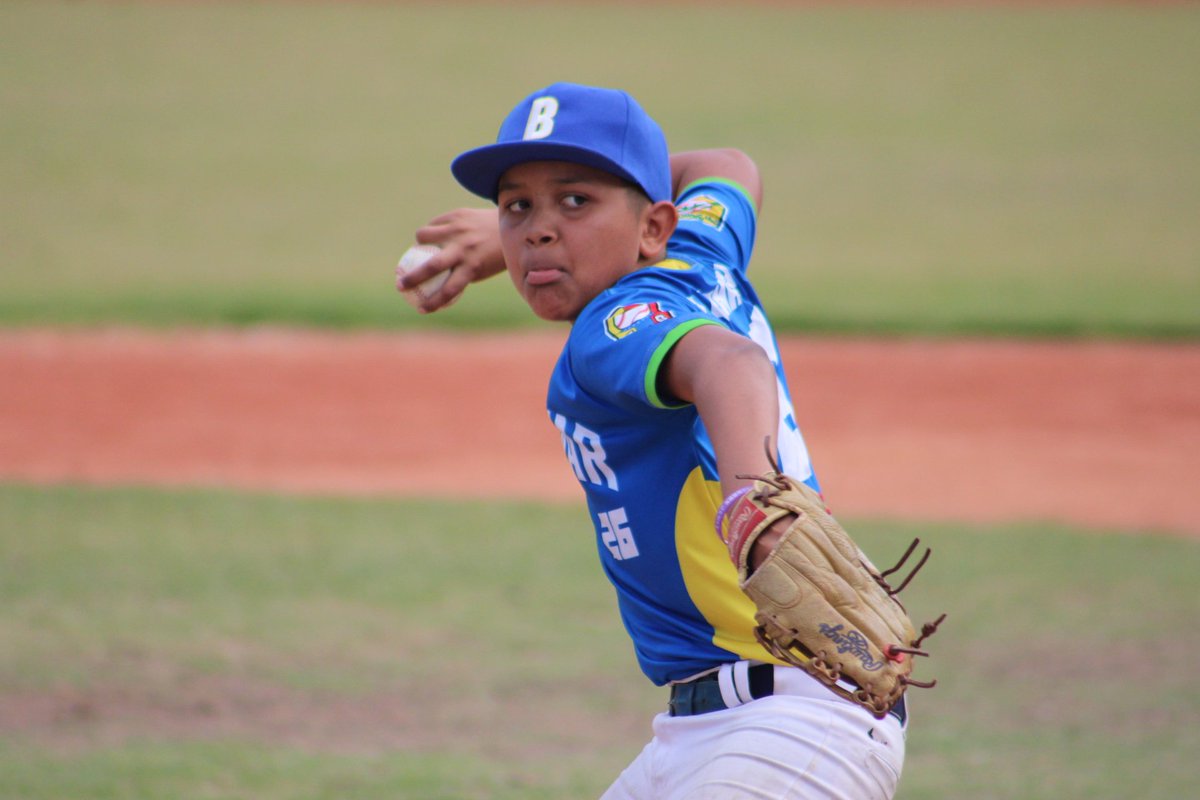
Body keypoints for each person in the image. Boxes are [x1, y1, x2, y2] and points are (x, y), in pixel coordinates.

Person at [397, 82, 907, 799]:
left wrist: (753, 510)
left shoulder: (613, 325)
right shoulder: (698, 248)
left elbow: (732, 366)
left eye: (575, 201)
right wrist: (553, 212)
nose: (539, 230)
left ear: (651, 226)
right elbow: (729, 164)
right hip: (716, 733)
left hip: (784, 737)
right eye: (519, 206)